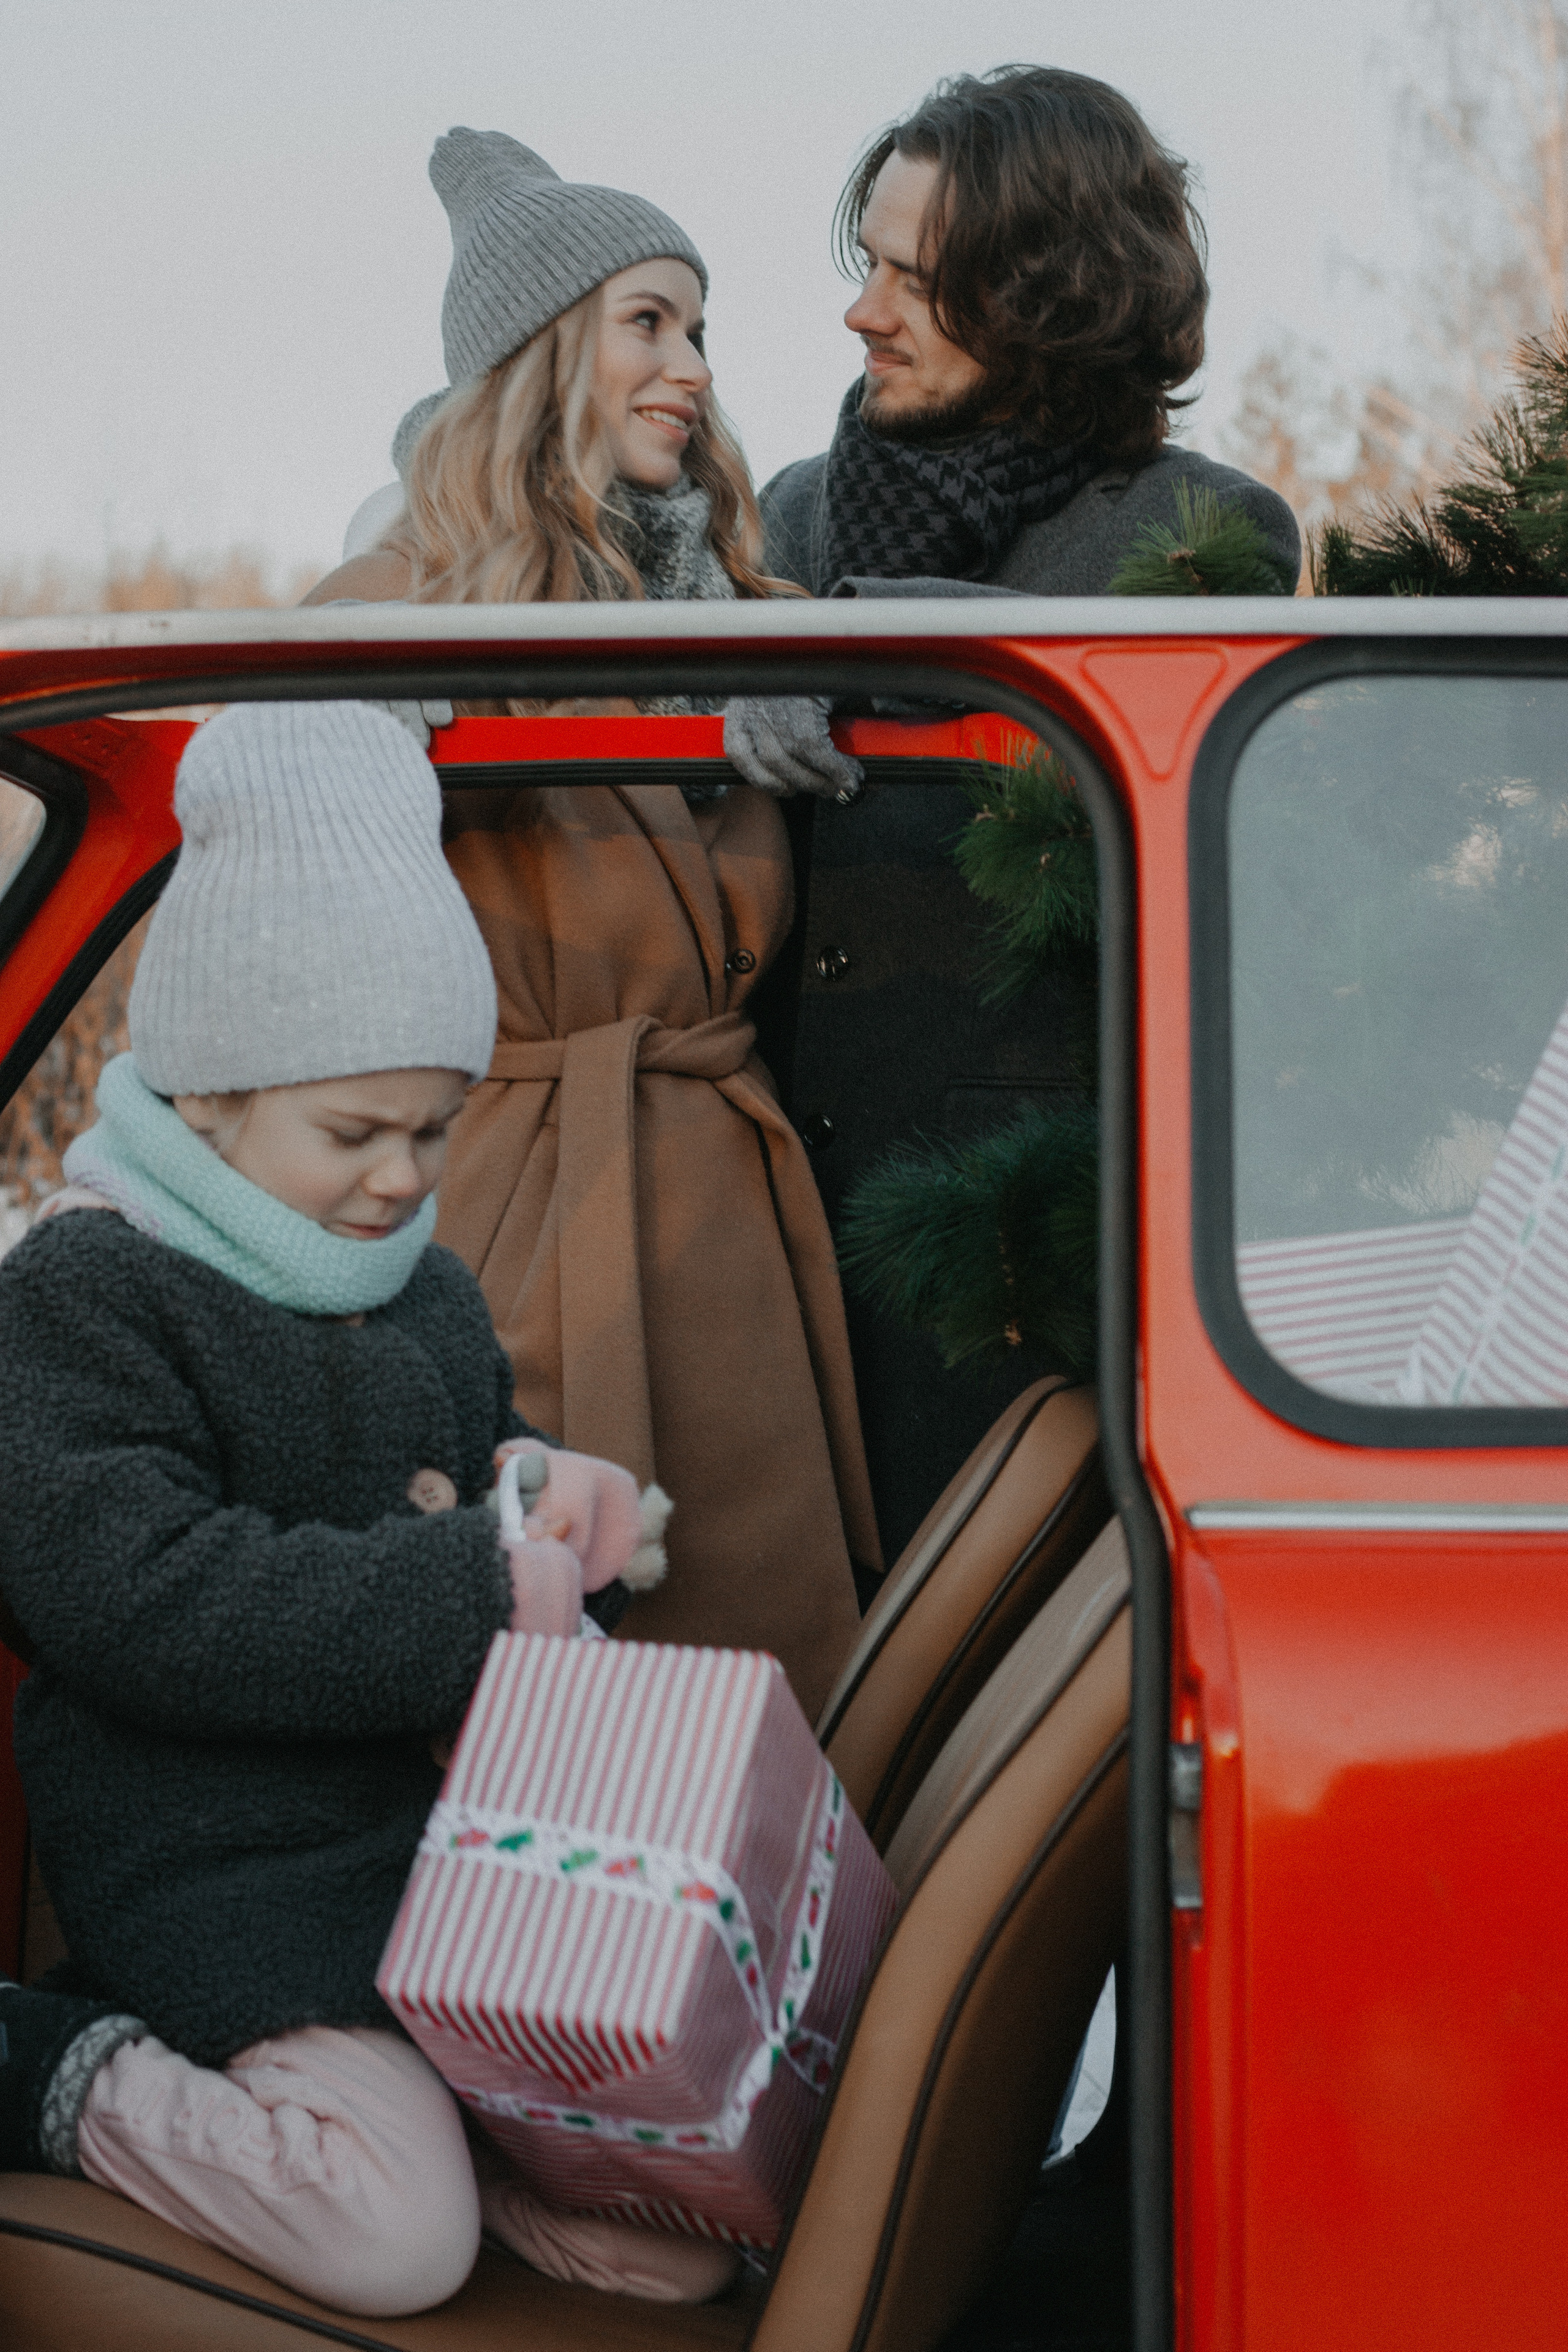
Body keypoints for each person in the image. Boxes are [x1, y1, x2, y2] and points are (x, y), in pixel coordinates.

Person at [0, 702, 739, 2315]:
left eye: (432, 1127)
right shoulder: (90, 1295)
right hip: (225, 1876)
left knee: (678, 2248)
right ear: (208, 1099)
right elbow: (131, 1589)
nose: (401, 1177)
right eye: (352, 1133)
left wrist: (556, 1512)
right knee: (387, 2242)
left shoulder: (427, 1296)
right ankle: (54, 2063)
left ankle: (471, 2149)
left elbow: (483, 1486)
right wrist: (475, 1589)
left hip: (433, 1869)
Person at [306, 130, 879, 1717]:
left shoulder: (742, 608)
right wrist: (377, 710)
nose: (691, 368)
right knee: (538, 1710)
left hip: (731, 1222)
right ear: (544, 350)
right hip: (518, 1208)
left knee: (758, 1700)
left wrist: (806, 679)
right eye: (648, 323)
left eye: (699, 329)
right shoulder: (419, 594)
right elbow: (264, 778)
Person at [720, 70, 1305, 1560]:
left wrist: (870, 646)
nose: (862, 314)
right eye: (870, 266)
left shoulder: (1201, 530)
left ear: (1054, 293)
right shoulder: (782, 514)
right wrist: (717, 712)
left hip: (1017, 1289)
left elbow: (1162, 872)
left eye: (918, 279)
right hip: (760, 1251)